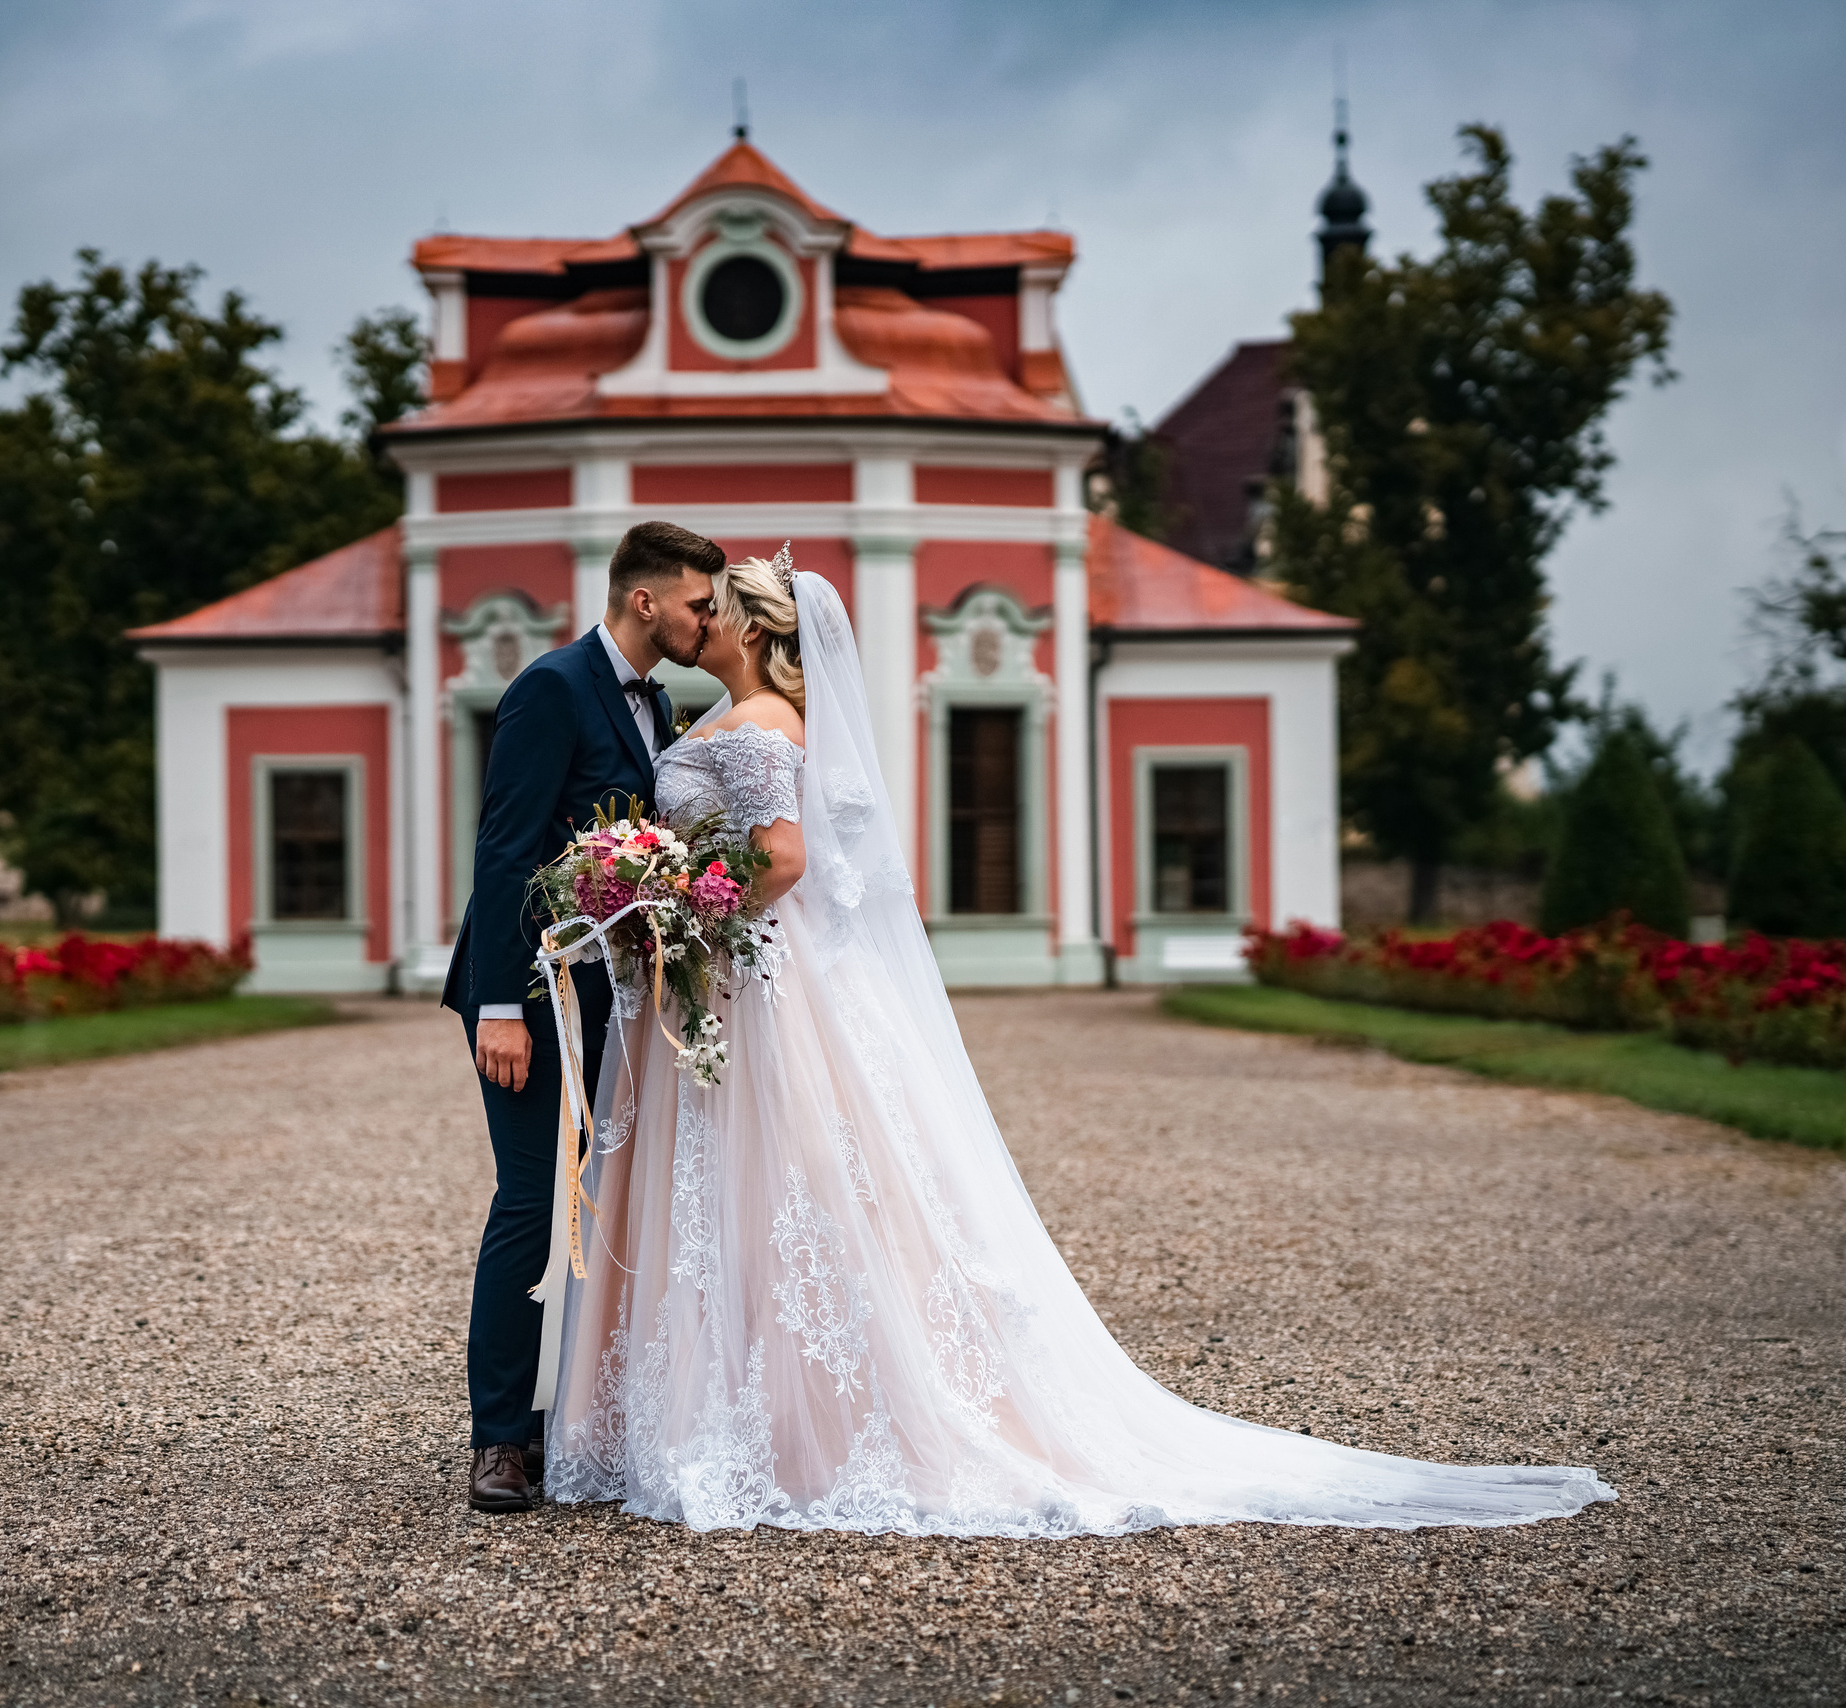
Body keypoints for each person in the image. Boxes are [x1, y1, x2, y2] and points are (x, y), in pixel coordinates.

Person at [542, 548, 1617, 1535]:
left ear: (751, 628)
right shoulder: (745, 719)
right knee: (744, 1194)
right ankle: (732, 1404)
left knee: (784, 1186)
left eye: (713, 607)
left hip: (750, 976)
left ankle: (789, 1418)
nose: (698, 619)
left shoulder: (765, 728)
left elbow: (782, 859)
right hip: (731, 981)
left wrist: (677, 902)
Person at [445, 519, 724, 1513]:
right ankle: (500, 1440)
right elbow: (504, 849)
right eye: (699, 602)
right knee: (530, 1201)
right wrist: (495, 1002)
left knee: (613, 1205)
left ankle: (591, 1419)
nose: (711, 619)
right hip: (531, 997)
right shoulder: (551, 687)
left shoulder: (660, 700)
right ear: (645, 599)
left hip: (617, 1000)